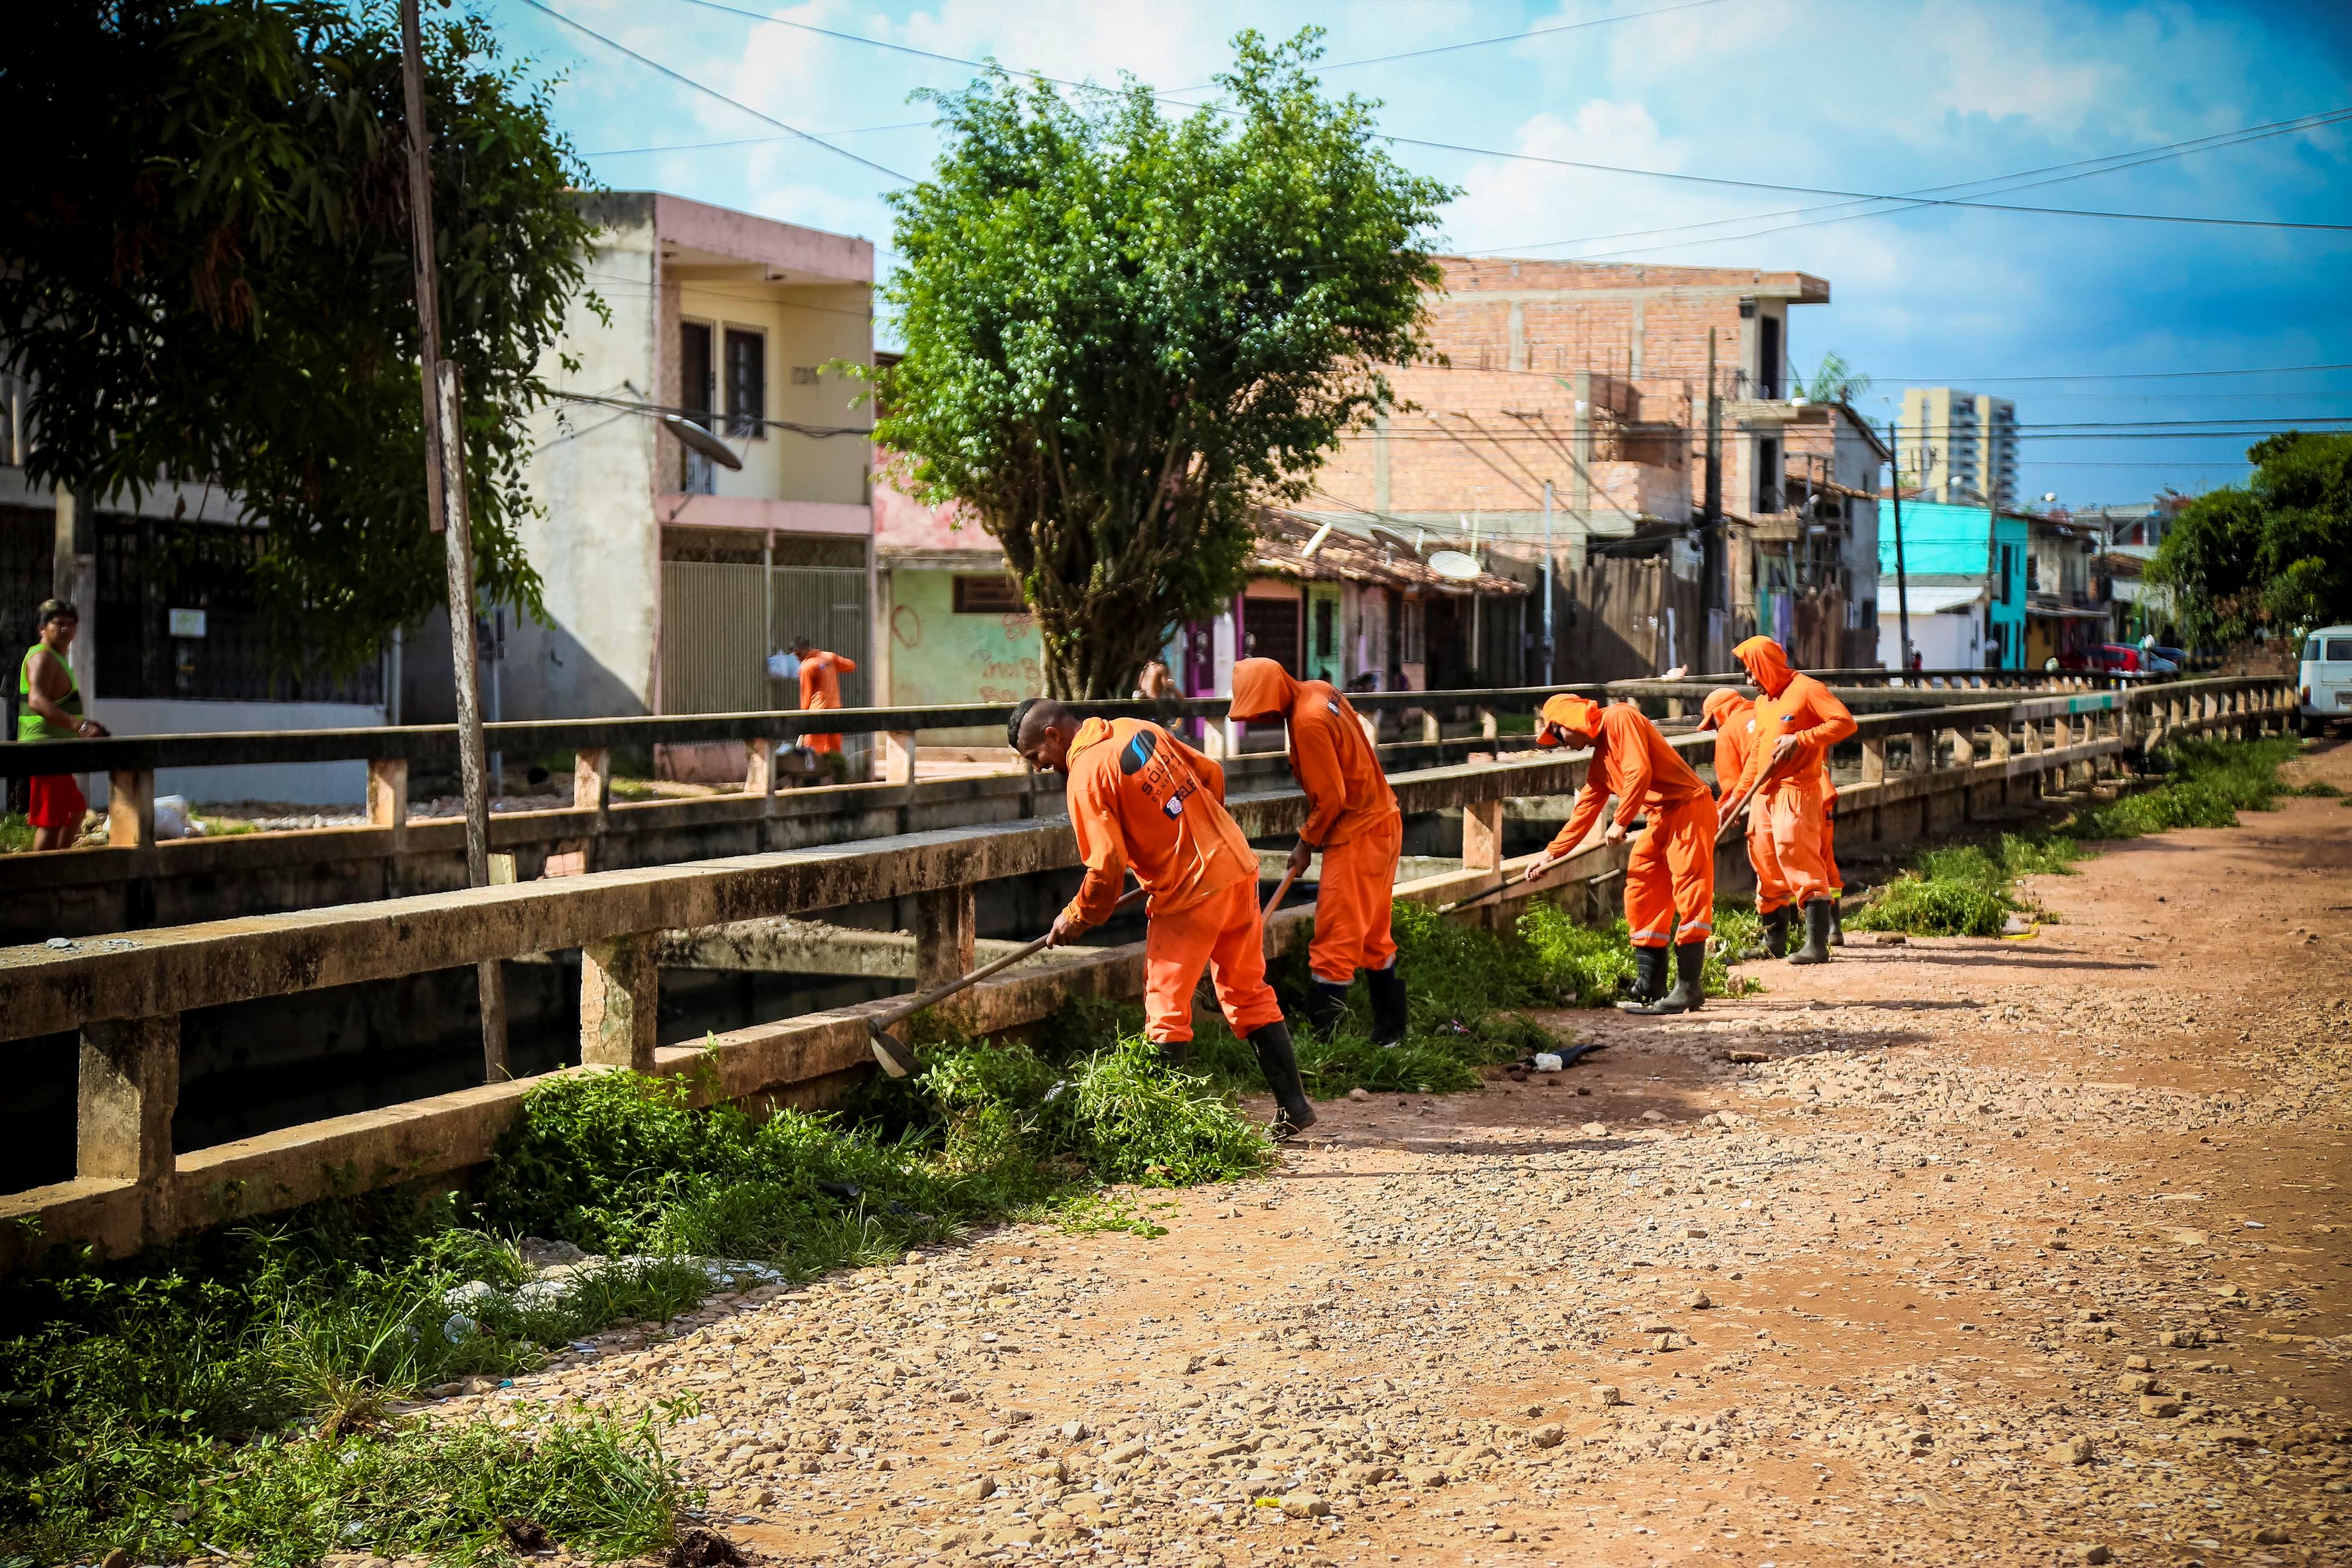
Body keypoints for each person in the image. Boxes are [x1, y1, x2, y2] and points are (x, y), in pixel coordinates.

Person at [1012, 698, 1315, 1137]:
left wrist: (1077, 916)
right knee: (1246, 990)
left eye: (1034, 756)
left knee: (1166, 1008)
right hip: (1235, 866)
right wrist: (1196, 832)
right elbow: (1209, 774)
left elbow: (1105, 866)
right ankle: (1294, 1107)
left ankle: (1163, 1129)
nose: (1038, 767)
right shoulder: (1135, 727)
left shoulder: (1085, 775)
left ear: (1053, 736)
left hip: (1189, 894)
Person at [1227, 658, 1407, 1044]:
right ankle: (1391, 1034)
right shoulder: (1320, 692)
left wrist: (1305, 842)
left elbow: (1331, 798)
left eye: (1260, 711)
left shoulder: (1307, 721)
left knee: (1334, 942)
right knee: (1375, 937)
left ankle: (1328, 1043)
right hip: (1384, 821)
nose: (1260, 720)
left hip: (1357, 833)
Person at [1523, 694, 1719, 1015]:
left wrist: (1620, 821)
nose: (1559, 743)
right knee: (1641, 888)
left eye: (1556, 734)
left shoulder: (1620, 716)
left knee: (1690, 889)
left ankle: (1688, 989)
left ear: (1570, 720)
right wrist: (1549, 854)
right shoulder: (1600, 762)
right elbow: (1585, 811)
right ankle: (1651, 984)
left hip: (1690, 806)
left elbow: (1638, 771)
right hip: (1660, 816)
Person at [1721, 637, 1856, 965]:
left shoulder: (1808, 689)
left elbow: (1845, 723)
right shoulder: (1763, 703)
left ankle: (1816, 945)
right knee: (1765, 862)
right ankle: (1774, 942)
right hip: (1763, 794)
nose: (1749, 680)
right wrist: (1736, 796)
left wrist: (1801, 738)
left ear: (1766, 665)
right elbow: (1757, 753)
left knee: (1798, 856)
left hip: (1798, 789)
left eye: (1752, 671)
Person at [1696, 686, 1792, 957]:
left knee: (1767, 862)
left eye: (1712, 722)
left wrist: (1730, 806)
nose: (1714, 729)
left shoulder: (1728, 731)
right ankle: (1814, 933)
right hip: (1803, 796)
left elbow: (1730, 780)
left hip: (1768, 798)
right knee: (1801, 865)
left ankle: (1775, 942)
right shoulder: (1766, 712)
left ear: (1719, 713)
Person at [19, 598, 108, 851]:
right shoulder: (43, 657)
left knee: (75, 812)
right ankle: (42, 878)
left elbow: (55, 703)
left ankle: (59, 863)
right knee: (51, 821)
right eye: (59, 624)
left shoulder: (55, 658)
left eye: (71, 624)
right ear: (42, 629)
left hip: (57, 750)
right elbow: (37, 700)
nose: (66, 629)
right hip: (46, 750)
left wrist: (85, 723)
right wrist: (78, 727)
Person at [791, 637, 856, 782]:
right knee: (834, 749)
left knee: (812, 750)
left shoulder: (807, 667)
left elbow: (806, 695)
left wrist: (804, 717)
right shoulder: (829, 657)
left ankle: (813, 783)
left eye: (797, 654)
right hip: (835, 710)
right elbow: (851, 666)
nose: (797, 657)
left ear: (801, 651)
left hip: (817, 712)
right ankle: (838, 780)